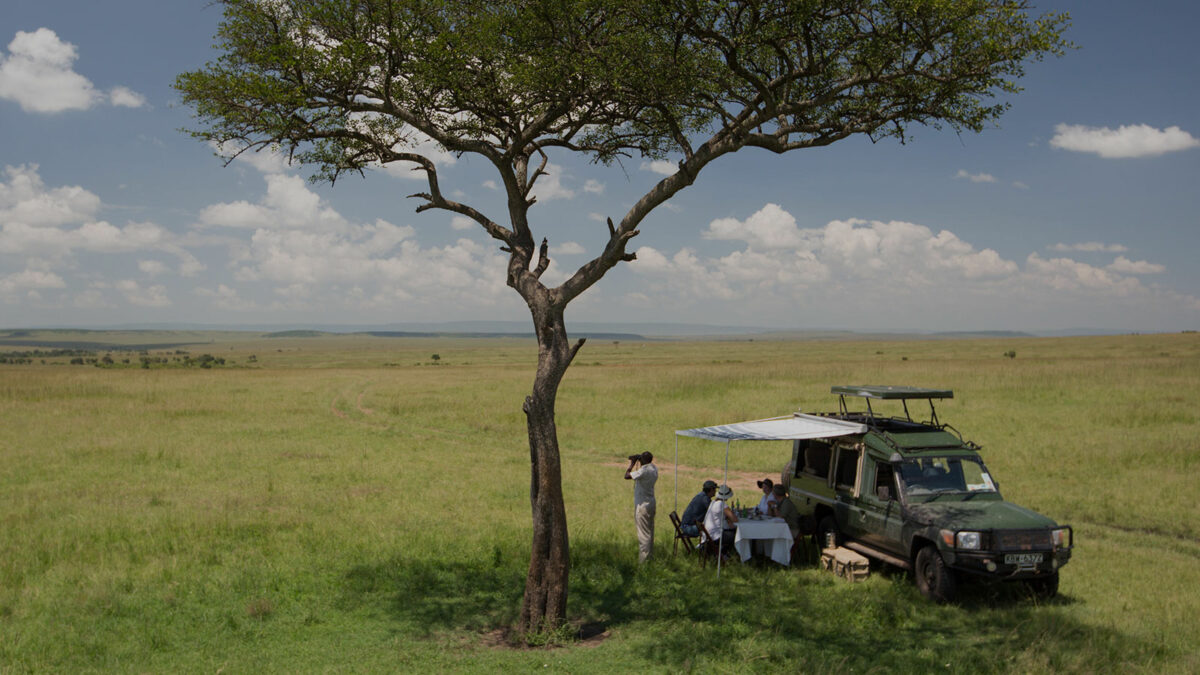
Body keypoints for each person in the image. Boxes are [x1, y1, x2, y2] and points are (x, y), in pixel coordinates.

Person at [624, 451, 657, 563]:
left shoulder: (644, 471)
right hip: (651, 503)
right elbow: (646, 463)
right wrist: (641, 459)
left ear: (644, 460)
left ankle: (644, 561)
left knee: (643, 535)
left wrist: (632, 464)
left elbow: (627, 476)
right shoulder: (653, 469)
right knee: (650, 532)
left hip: (642, 506)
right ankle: (650, 557)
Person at [704, 484, 739, 554]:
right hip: (715, 536)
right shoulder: (721, 504)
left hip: (708, 535)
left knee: (732, 530)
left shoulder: (713, 502)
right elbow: (735, 519)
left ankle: (726, 552)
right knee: (736, 534)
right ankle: (726, 553)